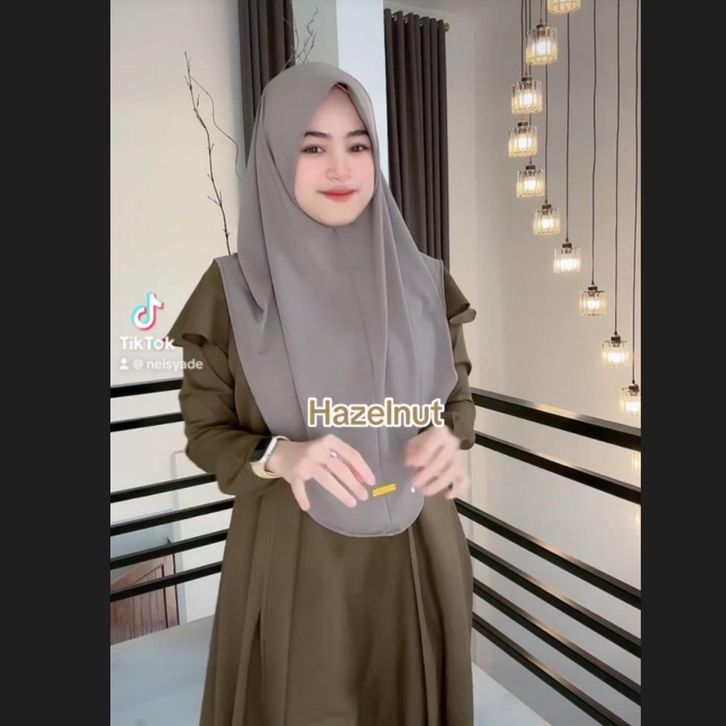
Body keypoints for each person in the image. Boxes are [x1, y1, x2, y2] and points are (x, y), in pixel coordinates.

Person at [166, 61, 478, 726]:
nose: (341, 168)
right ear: (276, 157)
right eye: (313, 148)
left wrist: (449, 438)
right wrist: (281, 454)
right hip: (296, 554)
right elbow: (205, 431)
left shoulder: (424, 280)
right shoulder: (232, 292)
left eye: (357, 146)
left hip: (420, 548)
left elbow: (457, 397)